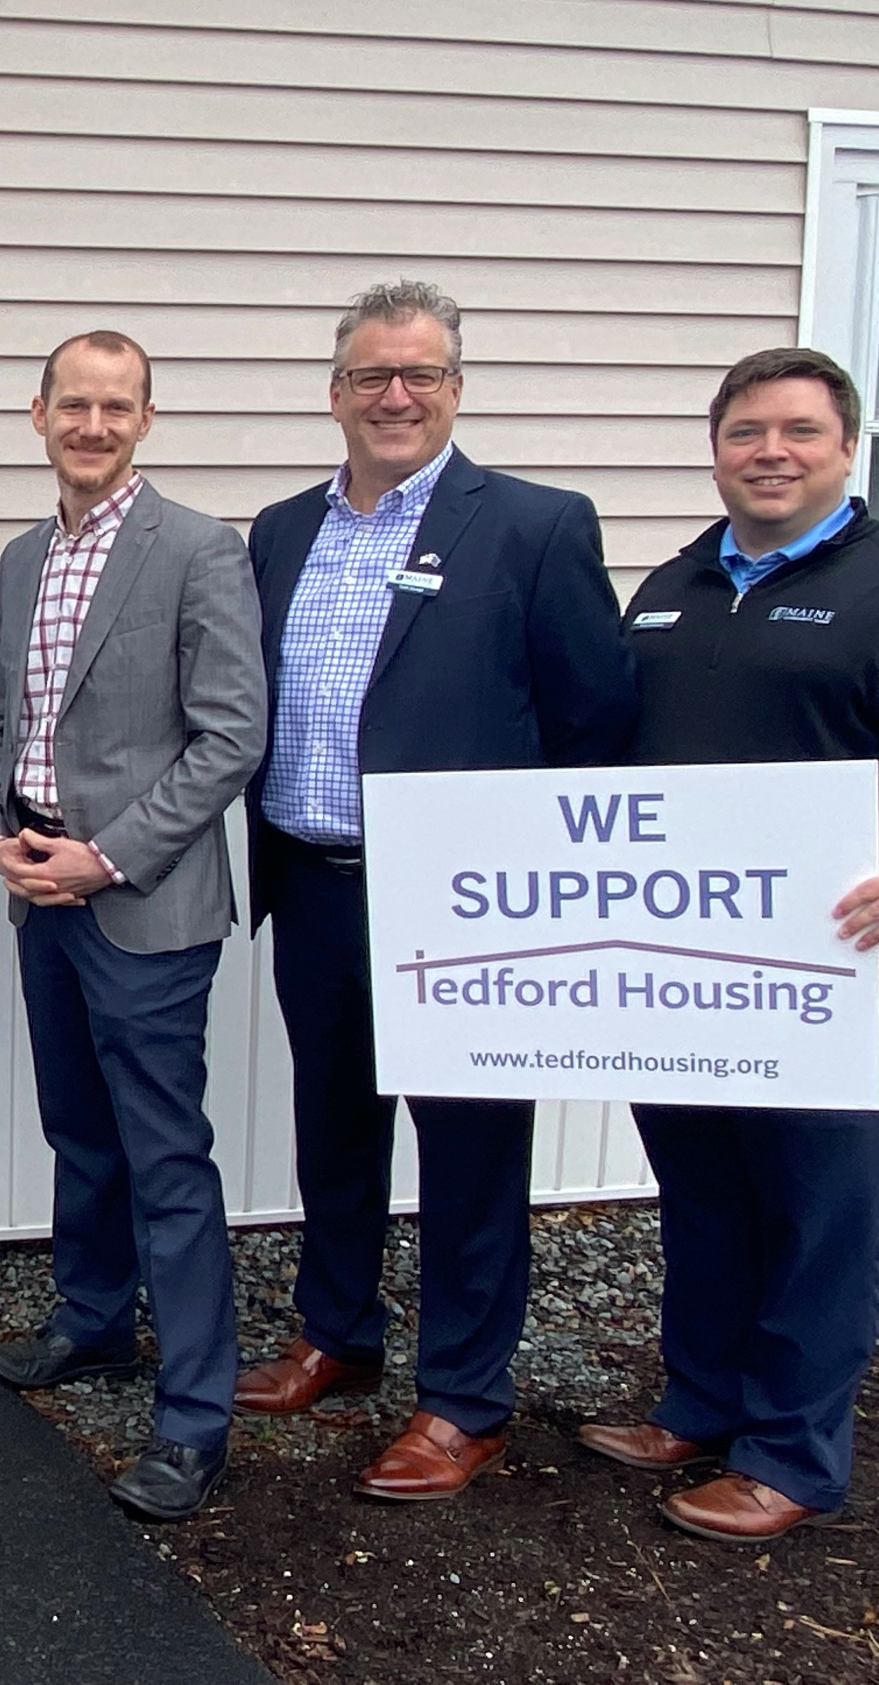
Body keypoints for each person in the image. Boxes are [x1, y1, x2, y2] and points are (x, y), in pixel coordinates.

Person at [238, 280, 638, 1500]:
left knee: (469, 1153)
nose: (394, 396)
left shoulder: (529, 525)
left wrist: (540, 882)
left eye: (420, 375)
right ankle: (338, 1338)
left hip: (464, 898)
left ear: (455, 389)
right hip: (311, 882)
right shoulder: (281, 531)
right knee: (335, 1129)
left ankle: (465, 1401)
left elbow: (595, 721)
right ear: (335, 394)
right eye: (371, 376)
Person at [581, 347, 879, 1542]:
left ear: (845, 449)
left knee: (820, 1211)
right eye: (745, 432)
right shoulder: (672, 588)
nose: (770, 452)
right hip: (685, 969)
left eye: (796, 431)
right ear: (716, 449)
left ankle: (790, 1455)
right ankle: (699, 1403)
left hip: (838, 964)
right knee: (704, 1191)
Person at [0, 332, 267, 1521]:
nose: (92, 425)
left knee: (166, 1159)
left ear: (146, 419)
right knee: (77, 1130)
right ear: (35, 414)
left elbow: (229, 736)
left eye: (117, 407)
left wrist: (109, 856)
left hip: (142, 899)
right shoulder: (22, 554)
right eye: (72, 405)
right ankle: (93, 1327)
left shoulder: (198, 551)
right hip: (37, 879)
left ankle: (196, 1419)